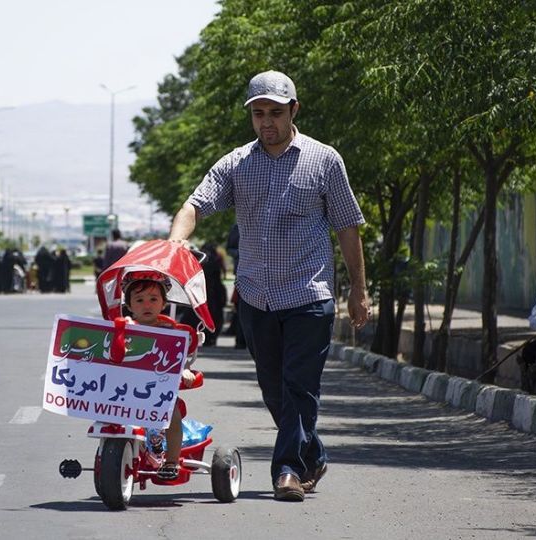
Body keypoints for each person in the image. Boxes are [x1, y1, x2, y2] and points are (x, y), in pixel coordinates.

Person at [168, 70, 369, 501]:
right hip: (256, 299)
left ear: (294, 110)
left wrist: (358, 289)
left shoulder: (324, 160)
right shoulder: (237, 163)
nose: (267, 123)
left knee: (299, 385)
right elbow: (195, 204)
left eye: (275, 113)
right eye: (258, 114)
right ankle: (312, 454)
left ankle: (288, 472)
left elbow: (349, 227)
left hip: (309, 296)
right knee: (274, 390)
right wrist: (175, 243)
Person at [121, 271, 197, 480]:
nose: (147, 305)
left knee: (172, 414)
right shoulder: (123, 328)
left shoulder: (170, 330)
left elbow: (179, 356)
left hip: (159, 392)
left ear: (163, 303)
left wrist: (185, 369)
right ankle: (110, 454)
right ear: (129, 305)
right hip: (125, 391)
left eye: (153, 299)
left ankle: (171, 461)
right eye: (139, 300)